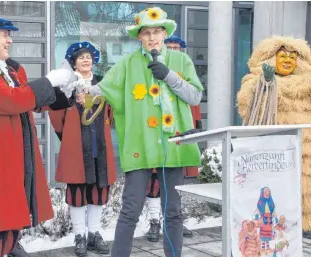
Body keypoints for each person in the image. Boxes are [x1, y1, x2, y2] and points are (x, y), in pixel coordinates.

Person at [64, 7, 203, 257]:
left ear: (164, 34)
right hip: (139, 144)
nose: (152, 38)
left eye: (157, 32)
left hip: (173, 145)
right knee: (130, 208)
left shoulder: (182, 61)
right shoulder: (128, 63)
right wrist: (85, 90)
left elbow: (195, 95)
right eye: (146, 33)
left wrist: (170, 76)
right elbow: (106, 88)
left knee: (173, 210)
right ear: (139, 36)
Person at [0, 17, 76, 257]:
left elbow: (29, 100)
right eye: (4, 35)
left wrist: (63, 93)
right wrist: (49, 81)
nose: (9, 40)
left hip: (11, 158)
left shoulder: (6, 68)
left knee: (8, 224)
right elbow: (12, 100)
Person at [236, 36, 311, 239]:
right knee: (278, 190)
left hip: (306, 149)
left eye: (292, 57)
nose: (288, 60)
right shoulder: (254, 80)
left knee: (305, 187)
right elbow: (248, 108)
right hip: (274, 150)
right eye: (283, 56)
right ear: (270, 59)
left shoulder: (307, 83)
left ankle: (304, 224)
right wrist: (266, 84)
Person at [48, 41, 117, 256]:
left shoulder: (103, 84)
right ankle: (79, 235)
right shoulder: (67, 86)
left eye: (88, 56)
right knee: (77, 190)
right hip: (77, 146)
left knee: (98, 188)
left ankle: (94, 234)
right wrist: (66, 136)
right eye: (81, 57)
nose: (86, 60)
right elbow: (56, 114)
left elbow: (112, 111)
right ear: (73, 63)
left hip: (100, 145)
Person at [144, 34, 197, 242]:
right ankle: (154, 221)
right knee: (155, 182)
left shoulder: (186, 73)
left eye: (177, 48)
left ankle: (174, 220)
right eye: (170, 47)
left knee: (175, 183)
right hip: (157, 134)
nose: (174, 50)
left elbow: (194, 108)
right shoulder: (154, 72)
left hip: (179, 136)